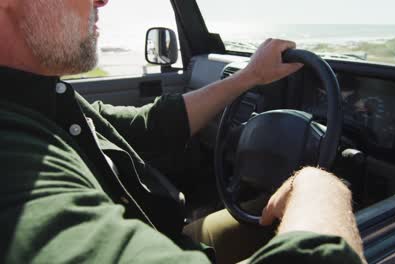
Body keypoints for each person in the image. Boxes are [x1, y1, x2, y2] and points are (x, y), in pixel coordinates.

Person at [0, 0, 364, 263]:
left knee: (262, 212)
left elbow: (150, 125)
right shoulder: (15, 157)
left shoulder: (45, 99)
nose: (102, 0)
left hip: (171, 236)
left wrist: (250, 77)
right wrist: (320, 189)